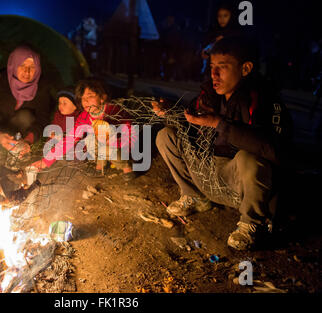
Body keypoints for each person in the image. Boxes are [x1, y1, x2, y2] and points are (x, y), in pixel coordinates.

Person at [154, 36, 292, 250]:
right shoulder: (210, 95)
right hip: (210, 177)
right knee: (166, 135)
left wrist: (219, 124)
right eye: (212, 67)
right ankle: (195, 197)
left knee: (248, 157)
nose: (214, 74)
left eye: (223, 67)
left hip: (240, 185)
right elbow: (192, 121)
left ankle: (252, 223)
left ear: (245, 69)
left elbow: (277, 151)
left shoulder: (265, 101)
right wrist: (170, 111)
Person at [31, 78, 137, 181]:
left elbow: (130, 131)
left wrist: (123, 148)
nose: (85, 100)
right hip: (101, 145)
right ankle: (100, 166)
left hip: (120, 146)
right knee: (90, 139)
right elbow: (69, 140)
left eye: (90, 96)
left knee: (106, 134)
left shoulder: (114, 111)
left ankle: (126, 166)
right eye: (82, 98)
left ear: (102, 97)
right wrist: (45, 161)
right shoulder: (84, 117)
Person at [0, 45, 53, 158]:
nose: (27, 71)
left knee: (26, 116)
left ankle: (16, 150)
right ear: (14, 64)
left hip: (18, 131)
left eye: (32, 67)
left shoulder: (41, 86)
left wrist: (28, 140)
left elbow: (43, 119)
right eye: (22, 65)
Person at [200, 3, 242, 77]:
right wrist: (205, 52)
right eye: (219, 16)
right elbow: (208, 45)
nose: (222, 19)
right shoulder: (214, 31)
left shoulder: (235, 32)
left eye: (225, 16)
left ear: (231, 17)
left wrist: (224, 40)